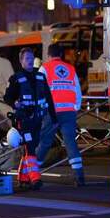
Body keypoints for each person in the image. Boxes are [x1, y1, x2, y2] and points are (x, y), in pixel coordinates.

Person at [4, 47, 57, 190]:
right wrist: (15, 103)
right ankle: (35, 179)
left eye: (31, 58)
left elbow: (49, 98)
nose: (29, 61)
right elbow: (7, 97)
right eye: (26, 59)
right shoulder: (15, 78)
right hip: (24, 119)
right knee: (30, 148)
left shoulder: (40, 77)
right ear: (21, 61)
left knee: (30, 147)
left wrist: (53, 116)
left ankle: (23, 178)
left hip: (38, 119)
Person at [36, 44, 85, 186]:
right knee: (71, 143)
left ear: (48, 54)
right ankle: (79, 176)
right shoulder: (70, 69)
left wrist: (40, 109)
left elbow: (40, 91)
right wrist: (75, 107)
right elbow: (77, 91)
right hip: (69, 112)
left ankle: (32, 172)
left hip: (51, 112)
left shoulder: (44, 68)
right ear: (61, 54)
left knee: (44, 142)